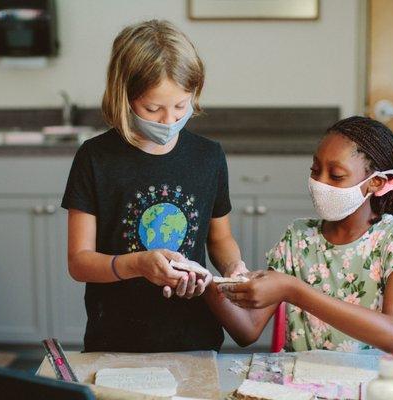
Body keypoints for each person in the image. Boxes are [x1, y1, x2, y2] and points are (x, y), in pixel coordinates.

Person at [206, 116, 393, 393]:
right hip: (308, 387)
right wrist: (206, 285)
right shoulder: (298, 237)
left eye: (336, 175)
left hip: (381, 387)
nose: (320, 183)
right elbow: (247, 332)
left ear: (376, 182)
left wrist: (294, 290)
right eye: (315, 171)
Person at [62, 20, 246, 353]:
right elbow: (79, 261)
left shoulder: (209, 156)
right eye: (153, 108)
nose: (169, 120)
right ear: (124, 96)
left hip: (195, 337)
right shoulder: (95, 158)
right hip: (116, 339)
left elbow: (220, 239)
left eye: (181, 106)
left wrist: (234, 269)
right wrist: (138, 264)